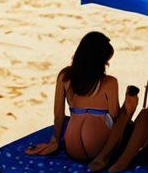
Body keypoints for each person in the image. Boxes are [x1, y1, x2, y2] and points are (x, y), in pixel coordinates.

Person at [26, 32, 121, 161]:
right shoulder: (110, 82)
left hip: (72, 148)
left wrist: (54, 141)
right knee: (125, 122)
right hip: (98, 149)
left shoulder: (64, 76)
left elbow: (58, 116)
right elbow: (115, 117)